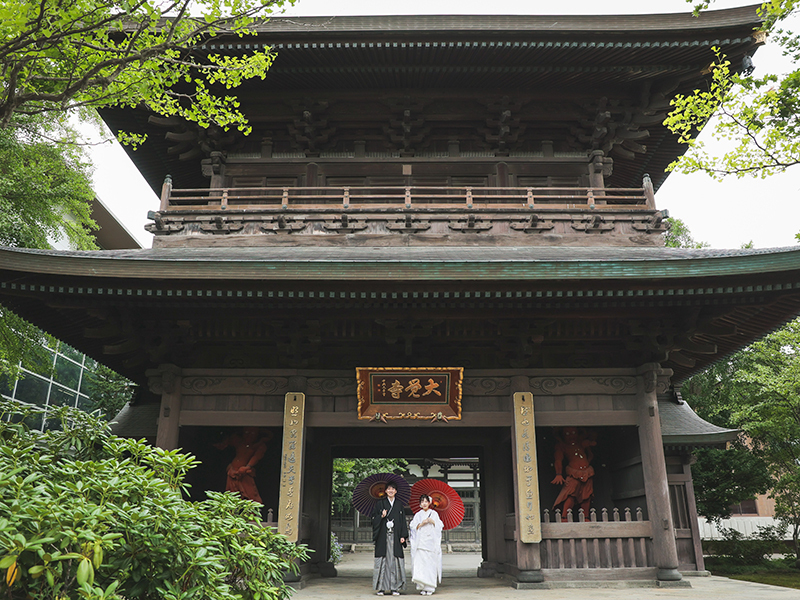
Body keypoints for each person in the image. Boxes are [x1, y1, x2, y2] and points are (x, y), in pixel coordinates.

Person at [213, 427, 271, 503]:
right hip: (233, 471)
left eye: (252, 434)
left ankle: (252, 513)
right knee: (231, 495)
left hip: (245, 473)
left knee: (251, 495)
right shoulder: (239, 442)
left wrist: (247, 467)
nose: (249, 436)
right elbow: (228, 440)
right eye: (246, 433)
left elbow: (256, 457)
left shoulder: (258, 446)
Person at [550, 426, 597, 520]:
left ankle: (586, 517)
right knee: (570, 494)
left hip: (587, 472)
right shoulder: (562, 446)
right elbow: (558, 460)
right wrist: (558, 474)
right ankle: (564, 517)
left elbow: (593, 440)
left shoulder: (581, 443)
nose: (571, 436)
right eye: (567, 434)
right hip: (573, 472)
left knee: (587, 495)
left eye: (574, 433)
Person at [371, 482, 408, 596]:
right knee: (383, 561)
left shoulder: (399, 505)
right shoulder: (380, 504)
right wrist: (381, 516)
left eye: (393, 489)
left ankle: (394, 587)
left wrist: (403, 536)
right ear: (386, 491)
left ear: (396, 491)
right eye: (389, 489)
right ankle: (381, 587)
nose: (391, 491)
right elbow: (373, 519)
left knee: (394, 561)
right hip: (383, 536)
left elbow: (402, 521)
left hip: (395, 536)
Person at [409, 494, 443, 596]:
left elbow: (440, 526)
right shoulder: (418, 515)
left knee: (430, 565)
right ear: (420, 504)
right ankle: (422, 586)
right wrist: (421, 523)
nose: (424, 503)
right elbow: (413, 526)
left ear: (429, 503)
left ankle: (430, 587)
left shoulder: (434, 514)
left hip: (430, 543)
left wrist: (432, 521)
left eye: (426, 501)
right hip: (420, 543)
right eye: (422, 501)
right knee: (421, 565)